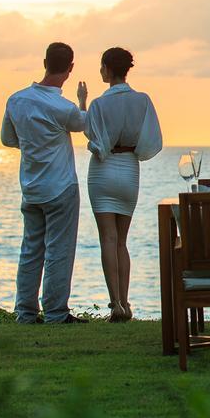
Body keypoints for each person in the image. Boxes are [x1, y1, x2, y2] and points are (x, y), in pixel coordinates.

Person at [0, 42, 89, 324]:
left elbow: (8, 139)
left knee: (31, 249)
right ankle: (55, 311)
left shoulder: (16, 100)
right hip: (60, 187)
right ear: (70, 68)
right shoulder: (64, 108)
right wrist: (83, 100)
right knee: (59, 250)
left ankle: (25, 311)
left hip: (31, 186)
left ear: (44, 62)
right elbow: (83, 124)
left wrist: (32, 145)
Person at [80, 47, 162, 322]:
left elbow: (90, 131)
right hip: (128, 168)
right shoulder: (142, 100)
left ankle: (115, 303)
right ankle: (126, 303)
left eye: (101, 66)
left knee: (108, 238)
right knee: (122, 241)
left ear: (107, 68)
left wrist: (82, 102)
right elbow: (150, 138)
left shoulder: (100, 104)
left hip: (103, 170)